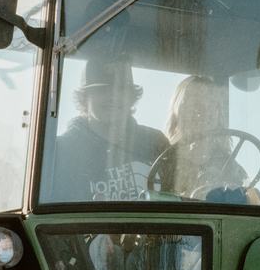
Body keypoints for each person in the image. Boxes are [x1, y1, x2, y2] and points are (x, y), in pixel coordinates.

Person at [47, 59, 169, 201]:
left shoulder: (155, 143)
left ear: (131, 97)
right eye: (102, 90)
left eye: (120, 89)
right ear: (84, 98)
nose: (112, 97)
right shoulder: (61, 150)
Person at [161, 75, 249, 199]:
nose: (205, 112)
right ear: (179, 111)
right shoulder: (165, 163)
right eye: (196, 104)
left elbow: (248, 199)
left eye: (212, 105)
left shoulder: (229, 165)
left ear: (218, 113)